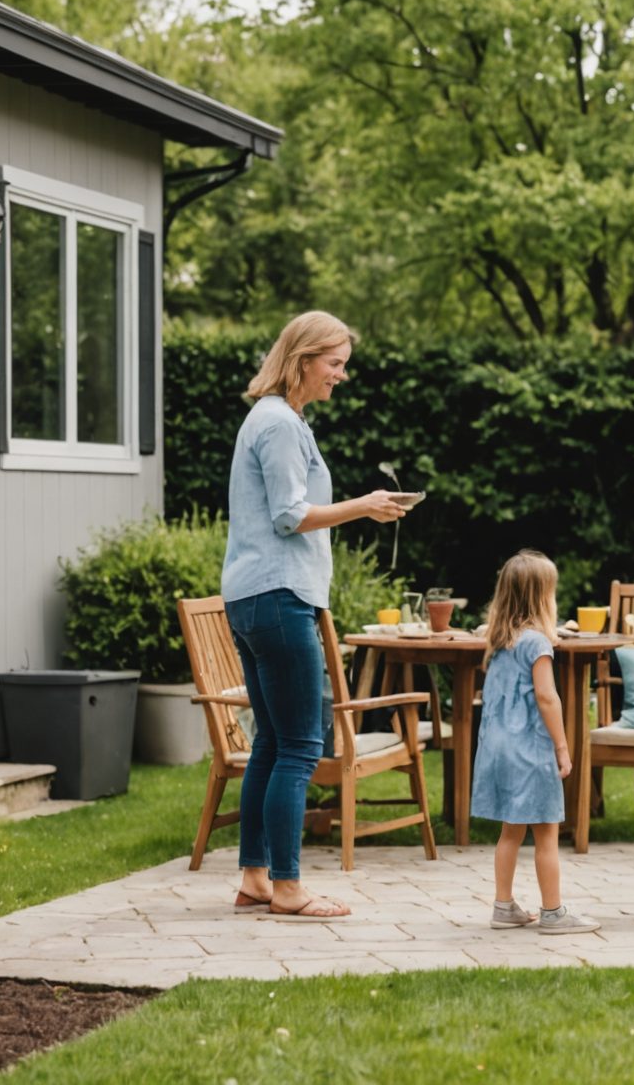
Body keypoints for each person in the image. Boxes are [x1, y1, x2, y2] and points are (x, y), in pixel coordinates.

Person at [223, 311, 407, 919]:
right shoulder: (277, 422)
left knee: (274, 743)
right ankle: (289, 886)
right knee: (302, 744)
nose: (341, 376)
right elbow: (288, 514)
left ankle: (256, 877)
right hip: (278, 598)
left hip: (258, 596)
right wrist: (366, 505)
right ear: (302, 360)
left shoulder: (280, 419)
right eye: (335, 364)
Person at [469, 550, 599, 935]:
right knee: (546, 833)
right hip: (531, 751)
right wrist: (561, 745)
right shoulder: (537, 643)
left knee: (511, 830)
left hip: (498, 750)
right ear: (543, 597)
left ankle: (503, 906)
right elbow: (547, 698)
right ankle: (554, 913)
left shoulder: (497, 643)